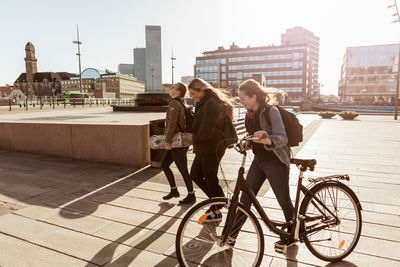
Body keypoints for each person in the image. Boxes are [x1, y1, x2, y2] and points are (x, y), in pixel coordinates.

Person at [230, 79, 294, 246]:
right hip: (259, 162)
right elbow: (253, 137)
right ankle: (231, 236)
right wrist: (248, 144)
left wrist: (266, 139)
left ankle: (293, 233)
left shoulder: (271, 111)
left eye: (243, 98)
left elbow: (282, 138)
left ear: (253, 96)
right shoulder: (248, 114)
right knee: (245, 200)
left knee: (283, 200)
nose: (241, 102)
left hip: (275, 162)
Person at [188, 78, 235, 222]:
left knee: (210, 178)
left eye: (193, 93)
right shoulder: (204, 103)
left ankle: (217, 208)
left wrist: (192, 138)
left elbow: (206, 130)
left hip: (212, 147)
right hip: (205, 147)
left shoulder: (211, 104)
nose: (192, 96)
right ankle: (217, 204)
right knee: (196, 175)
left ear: (201, 89)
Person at [161, 82, 196, 205]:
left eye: (173, 88)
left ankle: (191, 195)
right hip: (179, 141)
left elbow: (171, 124)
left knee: (183, 169)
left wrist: (167, 141)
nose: (171, 89)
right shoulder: (182, 102)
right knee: (164, 164)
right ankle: (174, 190)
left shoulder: (174, 103)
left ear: (178, 92)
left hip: (177, 142)